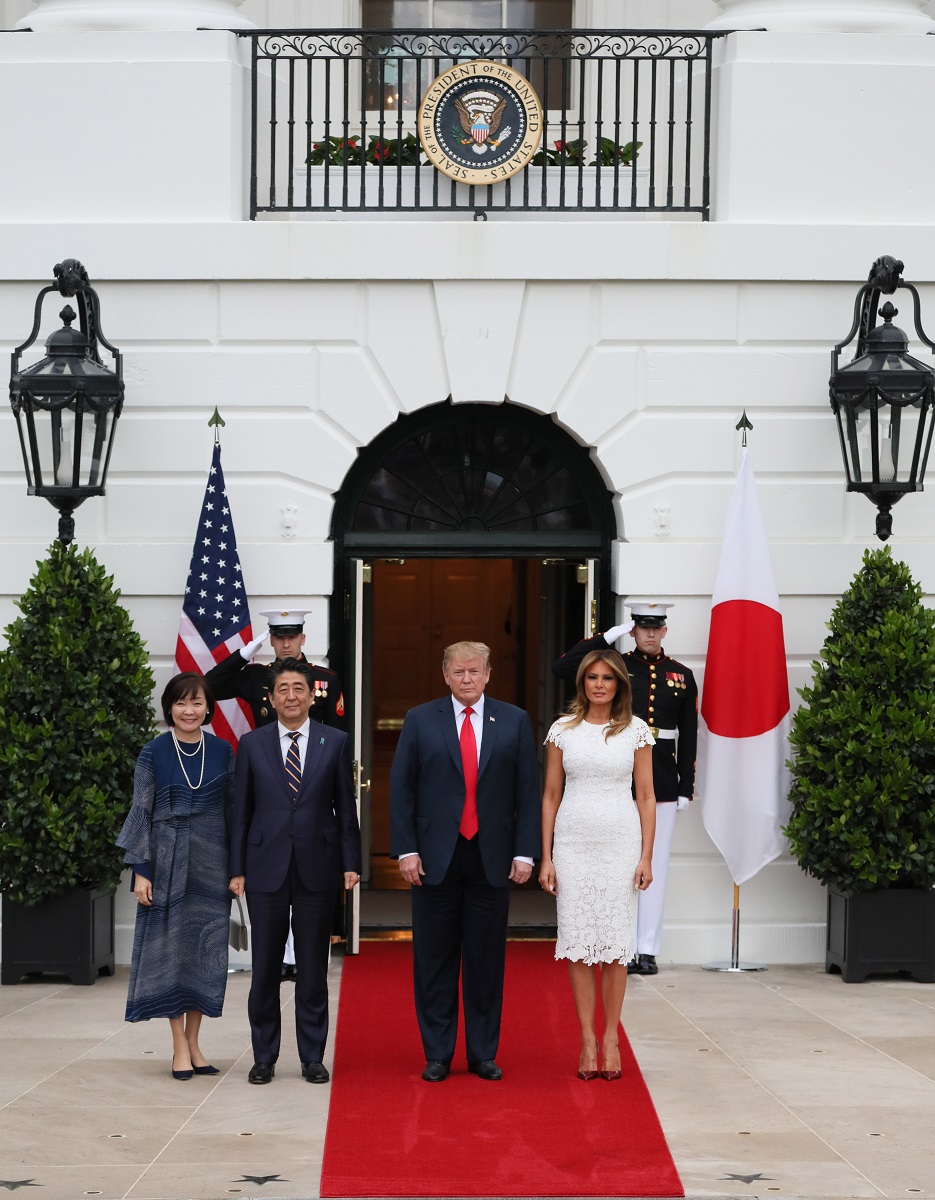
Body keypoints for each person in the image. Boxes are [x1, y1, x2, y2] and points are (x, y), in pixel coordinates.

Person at [389, 640, 540, 1083]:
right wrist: (407, 849)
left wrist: (524, 851)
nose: (467, 679)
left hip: (492, 857)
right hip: (435, 858)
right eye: (459, 672)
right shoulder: (420, 720)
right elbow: (402, 790)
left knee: (485, 960)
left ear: (489, 674)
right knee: (434, 959)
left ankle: (482, 1053)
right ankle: (437, 1052)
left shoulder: (513, 721)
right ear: (445, 675)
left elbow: (527, 792)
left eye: (475, 671)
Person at [229, 658, 361, 1085]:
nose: (291, 696)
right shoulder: (252, 744)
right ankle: (264, 1056)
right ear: (270, 698)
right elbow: (241, 813)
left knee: (312, 970)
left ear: (311, 695)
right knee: (265, 969)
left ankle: (312, 1056)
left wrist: (351, 863)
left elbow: (345, 809)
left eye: (298, 689)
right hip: (264, 869)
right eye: (282, 689)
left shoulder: (335, 742)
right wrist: (237, 869)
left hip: (317, 869)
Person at [552, 600, 698, 976]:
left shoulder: (680, 675)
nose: (650, 634)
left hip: (659, 774)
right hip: (605, 771)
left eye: (656, 628)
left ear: (664, 631)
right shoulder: (617, 667)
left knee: (649, 865)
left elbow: (689, 734)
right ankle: (608, 941)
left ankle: (644, 947)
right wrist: (604, 638)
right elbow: (564, 668)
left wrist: (686, 783)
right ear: (633, 630)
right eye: (642, 627)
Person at [206, 607, 345, 981]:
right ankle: (281, 957)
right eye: (278, 637)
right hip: (269, 791)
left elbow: (336, 740)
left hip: (310, 791)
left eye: (292, 636)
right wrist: (243, 655)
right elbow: (207, 688)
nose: (285, 644)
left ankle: (300, 957)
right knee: (274, 879)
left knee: (306, 882)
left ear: (303, 639)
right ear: (271, 639)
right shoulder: (254, 678)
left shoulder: (324, 680)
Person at [539, 649, 656, 1081]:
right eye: (592, 677)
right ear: (582, 684)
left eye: (608, 678)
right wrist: (547, 856)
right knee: (579, 943)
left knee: (615, 947)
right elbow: (550, 794)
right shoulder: (562, 730)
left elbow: (646, 795)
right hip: (572, 844)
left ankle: (612, 1038)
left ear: (620, 684)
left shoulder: (636, 731)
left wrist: (645, 855)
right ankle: (587, 1039)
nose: (600, 684)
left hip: (621, 844)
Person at [116, 673, 234, 1080]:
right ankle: (177, 1044)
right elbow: (141, 813)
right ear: (169, 708)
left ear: (208, 707)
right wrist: (141, 871)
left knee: (204, 950)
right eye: (182, 703)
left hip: (211, 861)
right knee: (169, 953)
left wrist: (237, 870)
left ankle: (196, 1041)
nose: (189, 710)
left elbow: (234, 813)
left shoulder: (222, 750)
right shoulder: (153, 752)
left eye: (197, 702)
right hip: (164, 860)